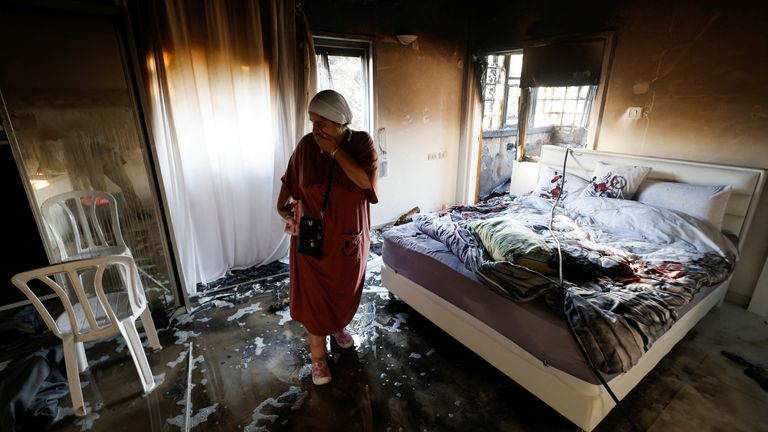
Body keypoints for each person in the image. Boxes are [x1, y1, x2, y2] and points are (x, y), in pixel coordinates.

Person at [277, 90, 379, 385]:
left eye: (322, 122)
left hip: (348, 239)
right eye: (312, 122)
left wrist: (335, 151)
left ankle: (336, 327)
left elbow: (365, 182)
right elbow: (290, 176)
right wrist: (280, 204)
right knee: (314, 299)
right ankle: (318, 359)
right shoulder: (307, 145)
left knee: (343, 290)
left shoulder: (361, 143)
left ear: (340, 120)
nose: (315, 129)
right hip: (311, 238)